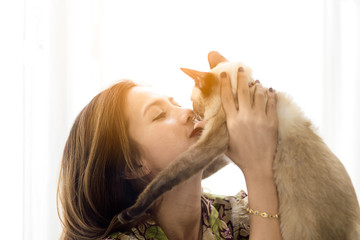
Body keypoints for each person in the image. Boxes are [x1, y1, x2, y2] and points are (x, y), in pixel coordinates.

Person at [57, 51, 282, 240]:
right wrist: (258, 173)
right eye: (160, 115)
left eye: (175, 103)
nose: (187, 112)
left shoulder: (237, 215)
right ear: (133, 165)